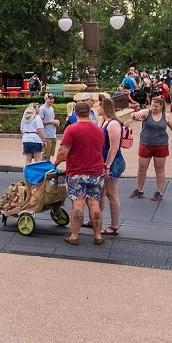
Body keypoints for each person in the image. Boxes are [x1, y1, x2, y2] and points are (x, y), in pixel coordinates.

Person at [52, 101, 107, 245]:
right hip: (96, 172)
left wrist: (56, 163)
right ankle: (97, 236)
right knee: (94, 203)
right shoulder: (99, 130)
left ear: (75, 113)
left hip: (77, 173)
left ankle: (74, 236)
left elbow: (63, 152)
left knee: (78, 204)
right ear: (89, 112)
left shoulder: (71, 129)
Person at [130, 98, 172, 201]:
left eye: (156, 106)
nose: (153, 108)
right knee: (142, 168)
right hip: (146, 143)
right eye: (152, 105)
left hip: (161, 145)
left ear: (161, 106)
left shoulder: (166, 116)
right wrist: (135, 115)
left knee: (159, 168)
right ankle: (139, 190)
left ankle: (159, 192)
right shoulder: (146, 112)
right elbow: (135, 116)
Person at [96, 94, 126, 237]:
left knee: (111, 194)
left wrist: (107, 166)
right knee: (101, 193)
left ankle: (114, 225)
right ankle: (96, 219)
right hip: (105, 160)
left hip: (113, 162)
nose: (97, 108)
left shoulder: (113, 124)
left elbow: (114, 148)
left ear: (104, 108)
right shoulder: (105, 122)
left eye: (99, 106)